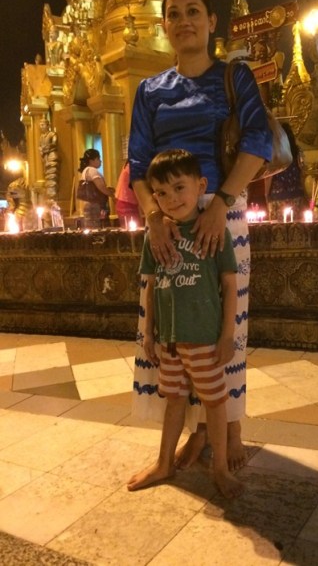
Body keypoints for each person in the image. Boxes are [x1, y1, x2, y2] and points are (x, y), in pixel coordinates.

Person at [128, 0, 272, 474]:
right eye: (174, 13)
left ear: (211, 22)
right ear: (165, 25)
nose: (184, 20)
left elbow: (258, 142)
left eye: (194, 11)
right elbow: (138, 163)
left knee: (224, 323)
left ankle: (230, 426)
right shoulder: (150, 91)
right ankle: (195, 431)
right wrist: (153, 217)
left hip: (221, 210)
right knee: (174, 324)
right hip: (167, 218)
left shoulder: (234, 77)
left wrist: (221, 202)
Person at [127, 149, 244, 498]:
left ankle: (220, 468)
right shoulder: (156, 236)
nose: (171, 199)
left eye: (180, 188)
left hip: (204, 339)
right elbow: (151, 287)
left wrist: (227, 336)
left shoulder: (213, 230)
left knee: (215, 402)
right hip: (170, 341)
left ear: (201, 186)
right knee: (174, 400)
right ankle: (163, 463)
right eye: (161, 193)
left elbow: (229, 285)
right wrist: (149, 333)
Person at [265, 123, 307, 221]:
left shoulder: (275, 152)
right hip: (297, 196)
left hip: (278, 197)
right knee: (296, 227)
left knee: (278, 228)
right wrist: (304, 193)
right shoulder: (297, 151)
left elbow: (268, 176)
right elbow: (302, 173)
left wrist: (266, 195)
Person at [77, 148, 115, 228]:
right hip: (95, 205)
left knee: (91, 227)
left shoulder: (86, 171)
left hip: (90, 205)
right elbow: (101, 187)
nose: (100, 161)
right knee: (98, 227)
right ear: (91, 161)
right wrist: (112, 194)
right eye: (98, 159)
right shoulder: (92, 170)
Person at [115, 161, 141, 227]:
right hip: (126, 202)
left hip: (124, 201)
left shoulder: (129, 165)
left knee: (130, 229)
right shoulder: (133, 166)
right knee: (132, 230)